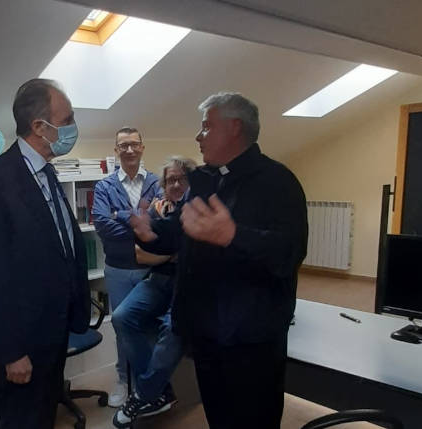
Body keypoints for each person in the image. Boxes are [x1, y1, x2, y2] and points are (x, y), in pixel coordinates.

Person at [131, 92, 308, 429]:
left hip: (251, 338)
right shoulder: (204, 180)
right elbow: (180, 229)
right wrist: (150, 232)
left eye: (206, 127)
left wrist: (232, 235)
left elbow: (289, 252)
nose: (199, 137)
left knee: (253, 420)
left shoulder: (277, 181)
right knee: (218, 416)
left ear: (234, 127)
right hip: (206, 330)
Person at [0, 79, 91, 429]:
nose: (73, 127)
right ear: (40, 127)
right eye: (67, 120)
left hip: (54, 329)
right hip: (23, 342)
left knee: (44, 415)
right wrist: (11, 352)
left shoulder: (47, 172)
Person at [111, 156, 197, 428]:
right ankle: (159, 393)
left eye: (181, 179)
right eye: (170, 180)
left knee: (174, 327)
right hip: (159, 279)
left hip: (188, 283)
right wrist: (173, 252)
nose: (176, 184)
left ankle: (144, 394)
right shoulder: (156, 210)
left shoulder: (196, 210)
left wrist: (166, 249)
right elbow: (140, 254)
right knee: (121, 316)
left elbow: (192, 255)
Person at [92, 127, 162, 407]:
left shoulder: (157, 183)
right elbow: (102, 224)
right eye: (124, 145)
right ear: (116, 150)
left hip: (151, 269)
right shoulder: (104, 186)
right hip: (118, 270)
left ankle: (149, 384)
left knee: (150, 327)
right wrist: (141, 224)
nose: (129, 150)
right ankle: (124, 380)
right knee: (123, 329)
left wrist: (119, 214)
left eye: (134, 144)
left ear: (142, 147)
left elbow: (161, 223)